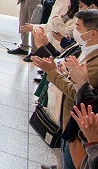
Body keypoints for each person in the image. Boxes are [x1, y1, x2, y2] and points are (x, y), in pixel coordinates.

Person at [32, 10, 98, 169]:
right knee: (63, 154)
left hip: (78, 126)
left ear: (93, 33)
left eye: (78, 27)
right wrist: (46, 47)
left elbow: (78, 91)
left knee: (71, 158)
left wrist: (53, 72)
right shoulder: (84, 47)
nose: (75, 31)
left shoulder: (95, 62)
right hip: (65, 115)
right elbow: (63, 65)